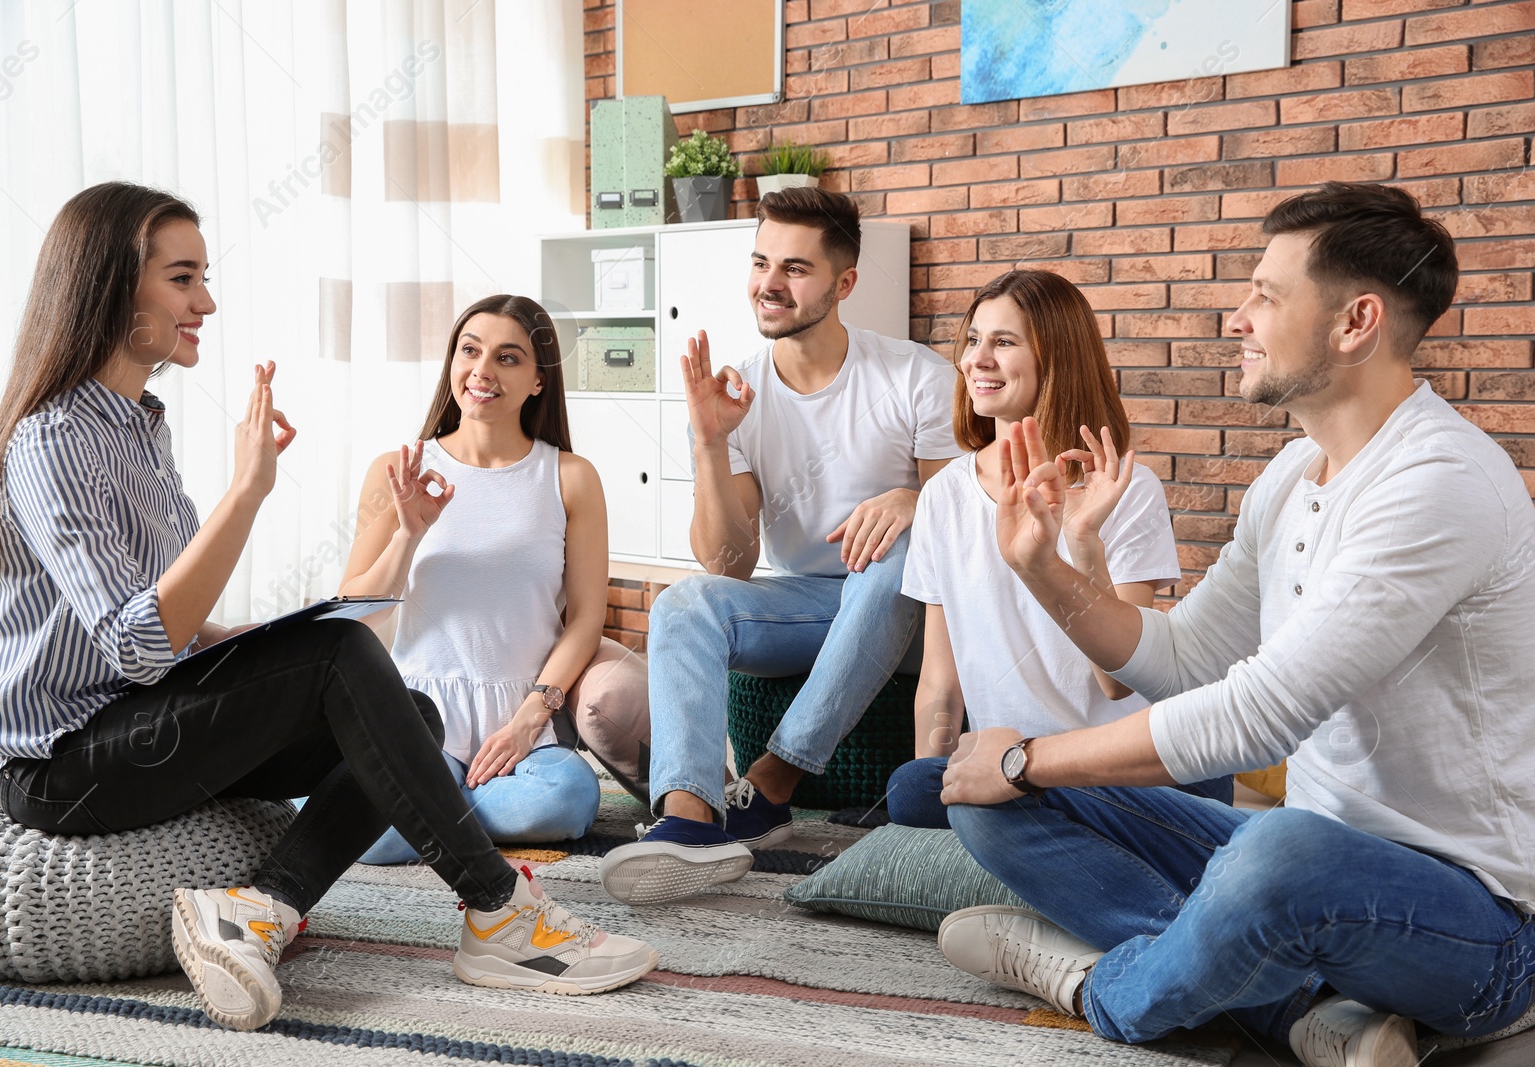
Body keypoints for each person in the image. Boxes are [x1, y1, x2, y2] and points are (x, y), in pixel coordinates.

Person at [0, 183, 657, 1034]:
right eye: (184, 279)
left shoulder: (139, 423)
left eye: (203, 278)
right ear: (112, 282)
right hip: (58, 764)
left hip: (130, 717)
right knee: (342, 663)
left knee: (409, 710)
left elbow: (168, 625)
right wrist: (249, 492)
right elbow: (139, 643)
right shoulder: (52, 438)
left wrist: (255, 641)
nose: (206, 302)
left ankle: (261, 910)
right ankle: (499, 910)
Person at [933, 182, 1535, 1067]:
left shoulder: (1436, 483)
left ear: (1354, 323)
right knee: (979, 799)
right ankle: (1301, 1007)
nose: (1236, 317)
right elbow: (1183, 660)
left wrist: (1025, 759)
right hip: (1307, 861)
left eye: (1265, 294)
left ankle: (1101, 985)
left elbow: (1252, 717)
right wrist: (1041, 567)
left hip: (1479, 923)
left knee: (1275, 853)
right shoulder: (1295, 473)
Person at [599, 186, 960, 905]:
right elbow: (727, 562)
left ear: (844, 283)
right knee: (684, 603)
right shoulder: (741, 392)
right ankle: (690, 818)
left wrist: (915, 499)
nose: (769, 282)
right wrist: (710, 441)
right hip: (806, 603)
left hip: (916, 612)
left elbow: (964, 531)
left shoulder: (917, 376)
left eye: (795, 268)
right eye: (762, 261)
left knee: (900, 550)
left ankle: (770, 783)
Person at [884, 268, 1229, 831]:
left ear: (1057, 359)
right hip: (1007, 763)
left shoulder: (1123, 488)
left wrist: (1082, 539)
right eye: (973, 340)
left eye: (1004, 342)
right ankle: (1033, 821)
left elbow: (1120, 683)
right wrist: (940, 786)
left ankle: (1040, 822)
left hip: (1114, 761)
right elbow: (940, 684)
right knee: (912, 789)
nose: (977, 360)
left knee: (1199, 776)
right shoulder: (944, 494)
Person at [340, 294, 646, 858]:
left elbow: (583, 619)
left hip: (522, 708)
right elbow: (357, 610)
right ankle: (428, 808)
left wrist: (533, 715)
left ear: (538, 381)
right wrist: (409, 533)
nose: (482, 371)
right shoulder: (398, 469)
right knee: (378, 838)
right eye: (469, 351)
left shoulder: (570, 477)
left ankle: (421, 816)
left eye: (508, 358)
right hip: (420, 710)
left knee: (567, 799)